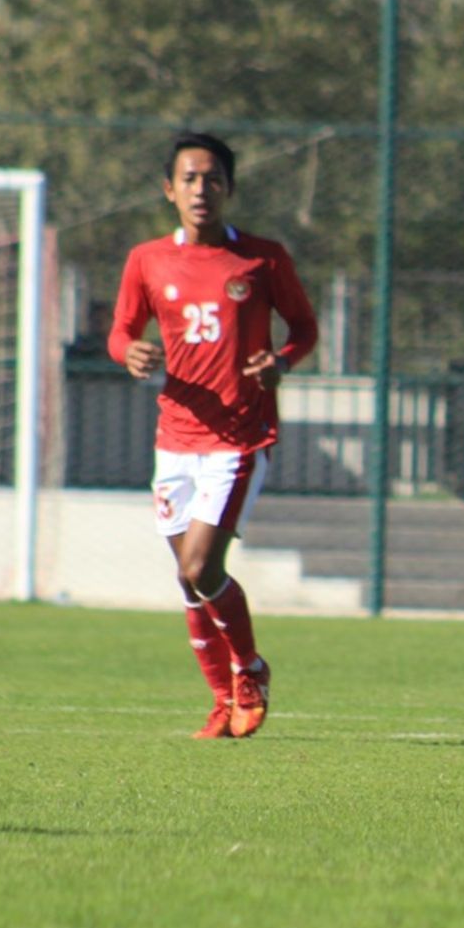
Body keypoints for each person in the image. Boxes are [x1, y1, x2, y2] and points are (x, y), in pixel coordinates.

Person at [108, 131, 319, 739]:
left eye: (213, 179)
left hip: (240, 437)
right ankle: (224, 701)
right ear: (169, 189)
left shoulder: (262, 258)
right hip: (174, 438)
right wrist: (130, 354)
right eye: (190, 179)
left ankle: (250, 670)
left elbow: (304, 327)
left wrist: (283, 361)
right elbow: (121, 331)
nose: (202, 189)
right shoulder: (147, 260)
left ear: (230, 188)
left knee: (202, 566)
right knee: (187, 577)